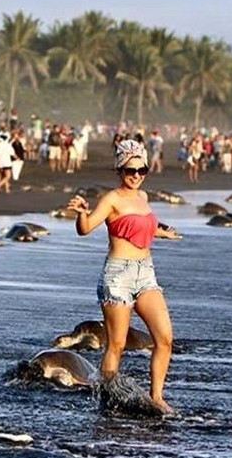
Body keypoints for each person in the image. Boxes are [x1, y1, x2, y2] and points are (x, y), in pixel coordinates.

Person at [66, 139, 182, 415]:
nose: (137, 176)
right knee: (116, 345)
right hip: (118, 276)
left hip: (146, 274)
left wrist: (162, 232)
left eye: (142, 171)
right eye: (131, 171)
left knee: (164, 339)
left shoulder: (142, 197)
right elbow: (86, 229)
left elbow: (140, 227)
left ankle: (157, 398)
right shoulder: (112, 199)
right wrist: (82, 213)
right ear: (120, 170)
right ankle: (106, 398)